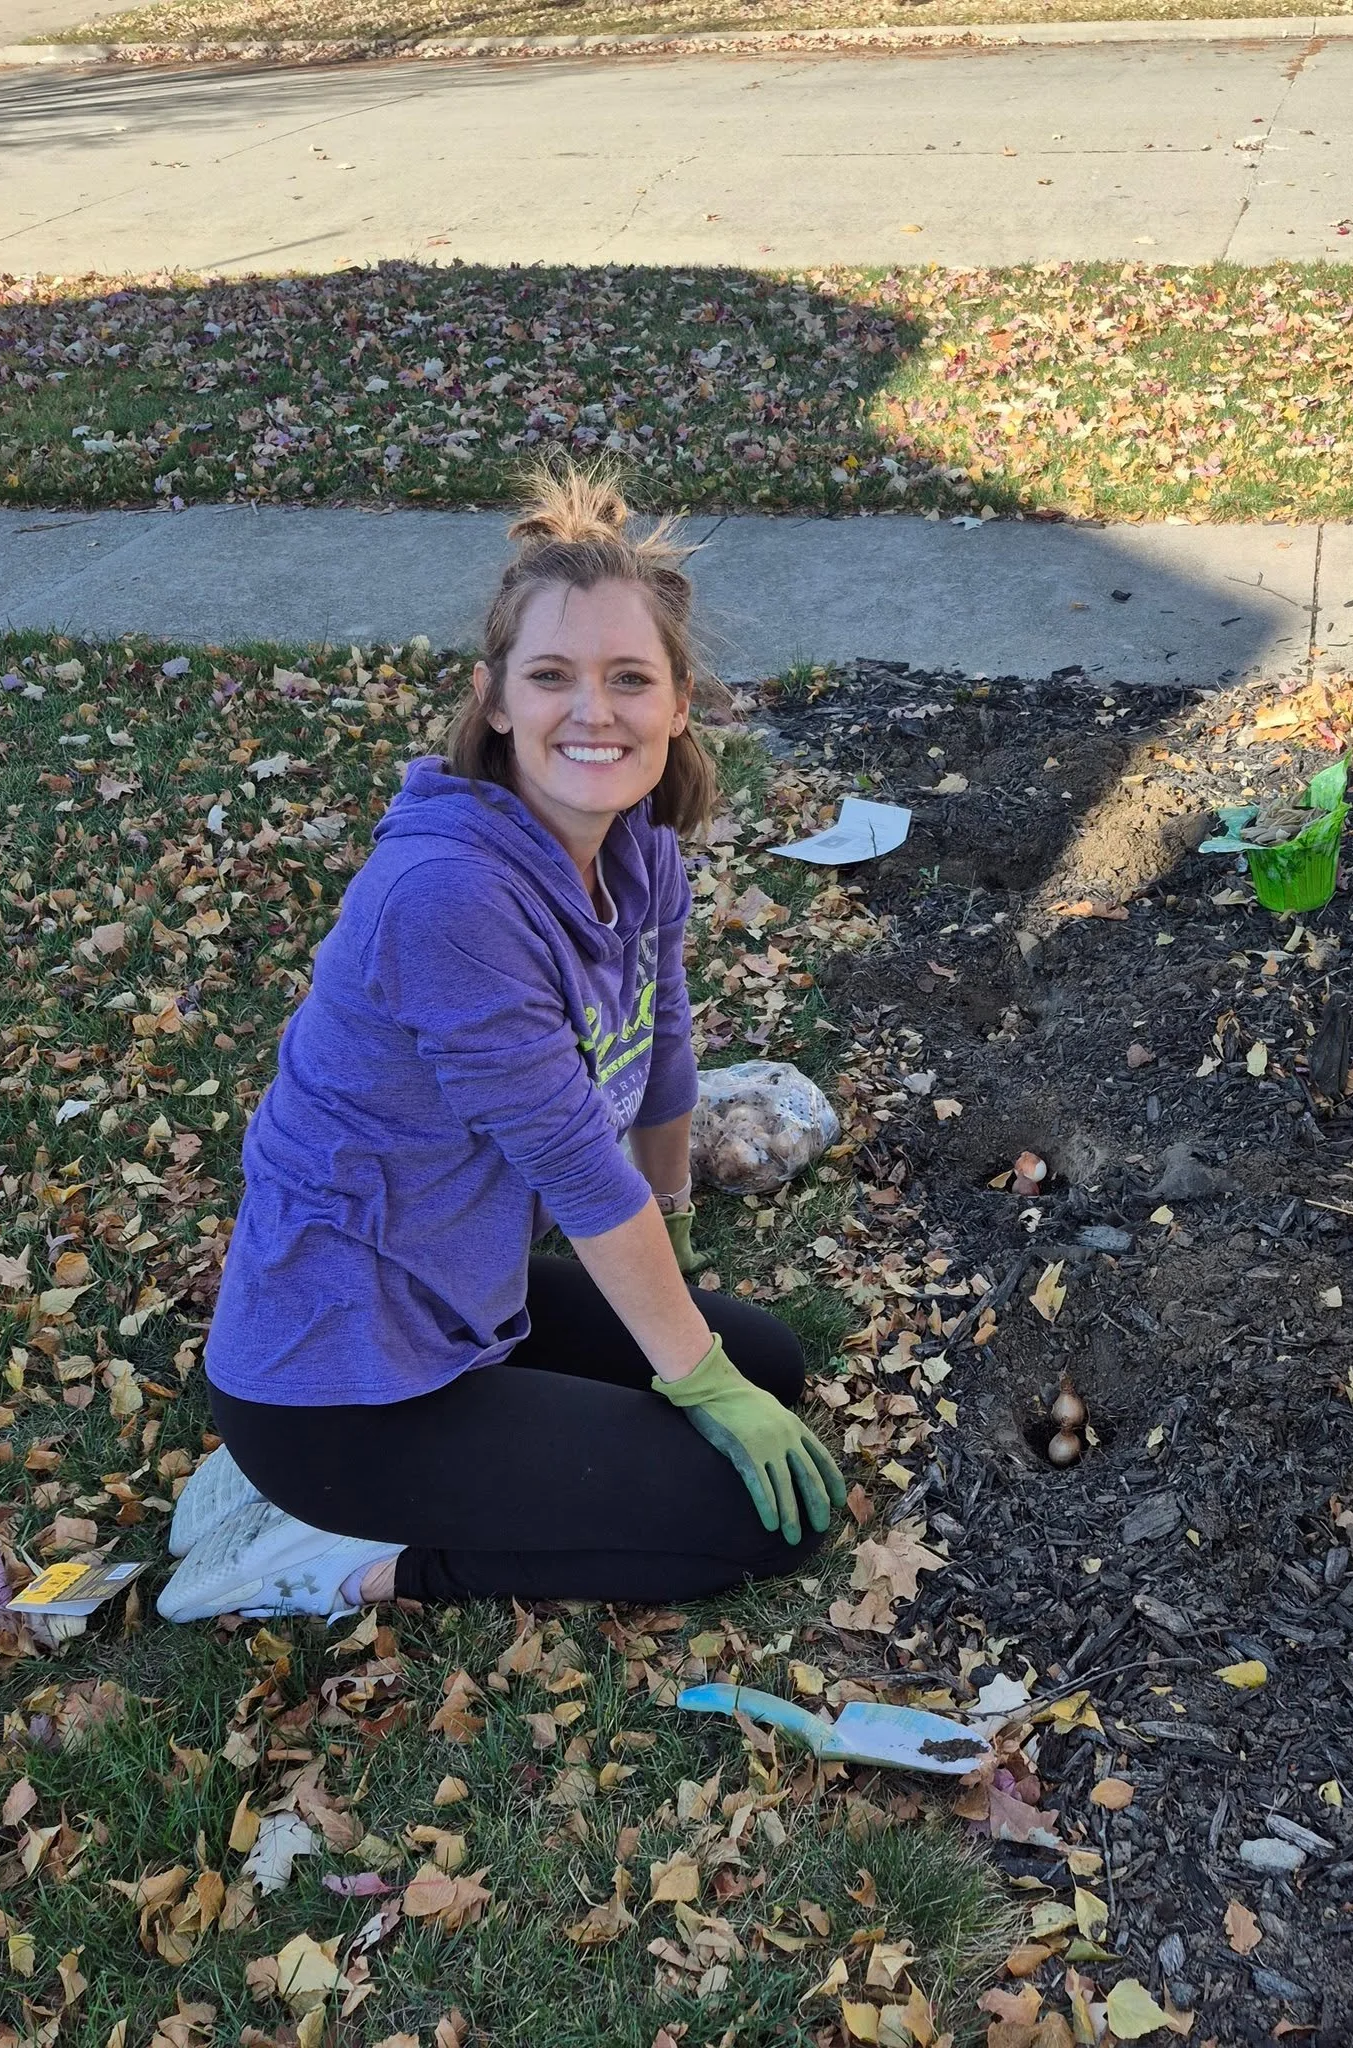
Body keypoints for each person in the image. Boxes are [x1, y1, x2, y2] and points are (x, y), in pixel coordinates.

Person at [158, 463, 845, 1624]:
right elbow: (577, 1165)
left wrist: (671, 1234)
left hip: (457, 1294)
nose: (594, 711)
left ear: (679, 701)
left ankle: (405, 1482)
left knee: (765, 1361)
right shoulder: (447, 898)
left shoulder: (637, 849)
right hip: (338, 1386)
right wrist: (692, 1372)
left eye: (630, 678)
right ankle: (339, 1558)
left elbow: (663, 1043)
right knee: (764, 1520)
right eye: (552, 677)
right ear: (493, 699)